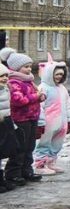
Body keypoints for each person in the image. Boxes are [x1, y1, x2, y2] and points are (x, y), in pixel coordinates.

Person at [5, 53, 44, 185]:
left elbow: (35, 94)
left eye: (29, 66)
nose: (28, 69)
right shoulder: (13, 82)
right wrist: (35, 97)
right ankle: (13, 173)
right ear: (16, 68)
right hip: (21, 119)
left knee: (30, 146)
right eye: (25, 67)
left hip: (32, 117)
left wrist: (40, 96)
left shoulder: (29, 81)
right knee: (20, 147)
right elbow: (17, 100)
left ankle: (26, 170)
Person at [32, 58, 70, 174]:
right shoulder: (43, 88)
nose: (59, 77)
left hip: (61, 122)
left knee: (57, 144)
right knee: (44, 143)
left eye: (61, 74)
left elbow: (68, 105)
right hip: (48, 123)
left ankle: (51, 162)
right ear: (49, 74)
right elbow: (39, 106)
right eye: (57, 74)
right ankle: (39, 165)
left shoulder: (62, 89)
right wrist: (40, 122)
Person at [0, 64, 13, 192]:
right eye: (1, 76)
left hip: (5, 123)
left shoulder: (5, 89)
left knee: (2, 152)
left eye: (6, 76)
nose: (4, 78)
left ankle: (1, 178)